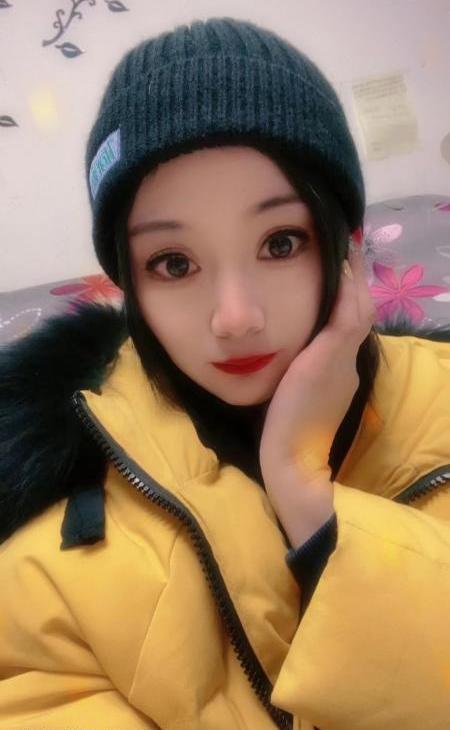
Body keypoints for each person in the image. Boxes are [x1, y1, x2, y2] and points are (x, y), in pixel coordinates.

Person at [0, 15, 449, 730]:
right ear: (130, 284)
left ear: (348, 249)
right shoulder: (54, 528)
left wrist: (305, 492)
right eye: (174, 263)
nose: (235, 317)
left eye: (281, 242)